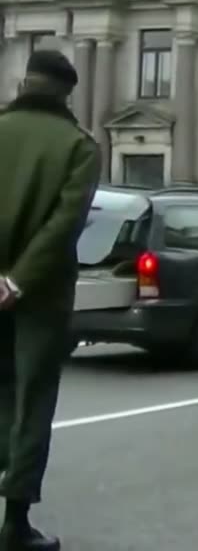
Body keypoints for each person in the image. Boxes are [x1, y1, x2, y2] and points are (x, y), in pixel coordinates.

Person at [0, 50, 101, 551]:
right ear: (66, 92)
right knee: (32, 399)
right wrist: (16, 281)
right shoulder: (79, 147)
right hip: (40, 294)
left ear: (25, 84)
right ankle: (14, 524)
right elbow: (65, 224)